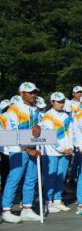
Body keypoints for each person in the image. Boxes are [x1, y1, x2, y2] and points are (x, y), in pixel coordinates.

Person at [2, 82, 42, 223]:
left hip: (31, 148)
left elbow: (37, 128)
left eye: (35, 92)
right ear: (22, 94)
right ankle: (6, 210)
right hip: (17, 150)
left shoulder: (35, 109)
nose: (33, 95)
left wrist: (37, 126)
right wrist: (27, 148)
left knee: (31, 179)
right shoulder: (14, 109)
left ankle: (27, 208)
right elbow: (13, 132)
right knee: (14, 179)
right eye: (30, 92)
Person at [39, 92, 74, 213]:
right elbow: (50, 137)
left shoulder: (66, 116)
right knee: (51, 177)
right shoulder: (47, 116)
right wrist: (61, 149)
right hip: (51, 152)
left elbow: (70, 132)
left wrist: (70, 147)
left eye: (62, 101)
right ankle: (48, 202)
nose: (61, 104)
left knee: (61, 176)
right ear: (52, 102)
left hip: (65, 151)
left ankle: (58, 200)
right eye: (58, 101)